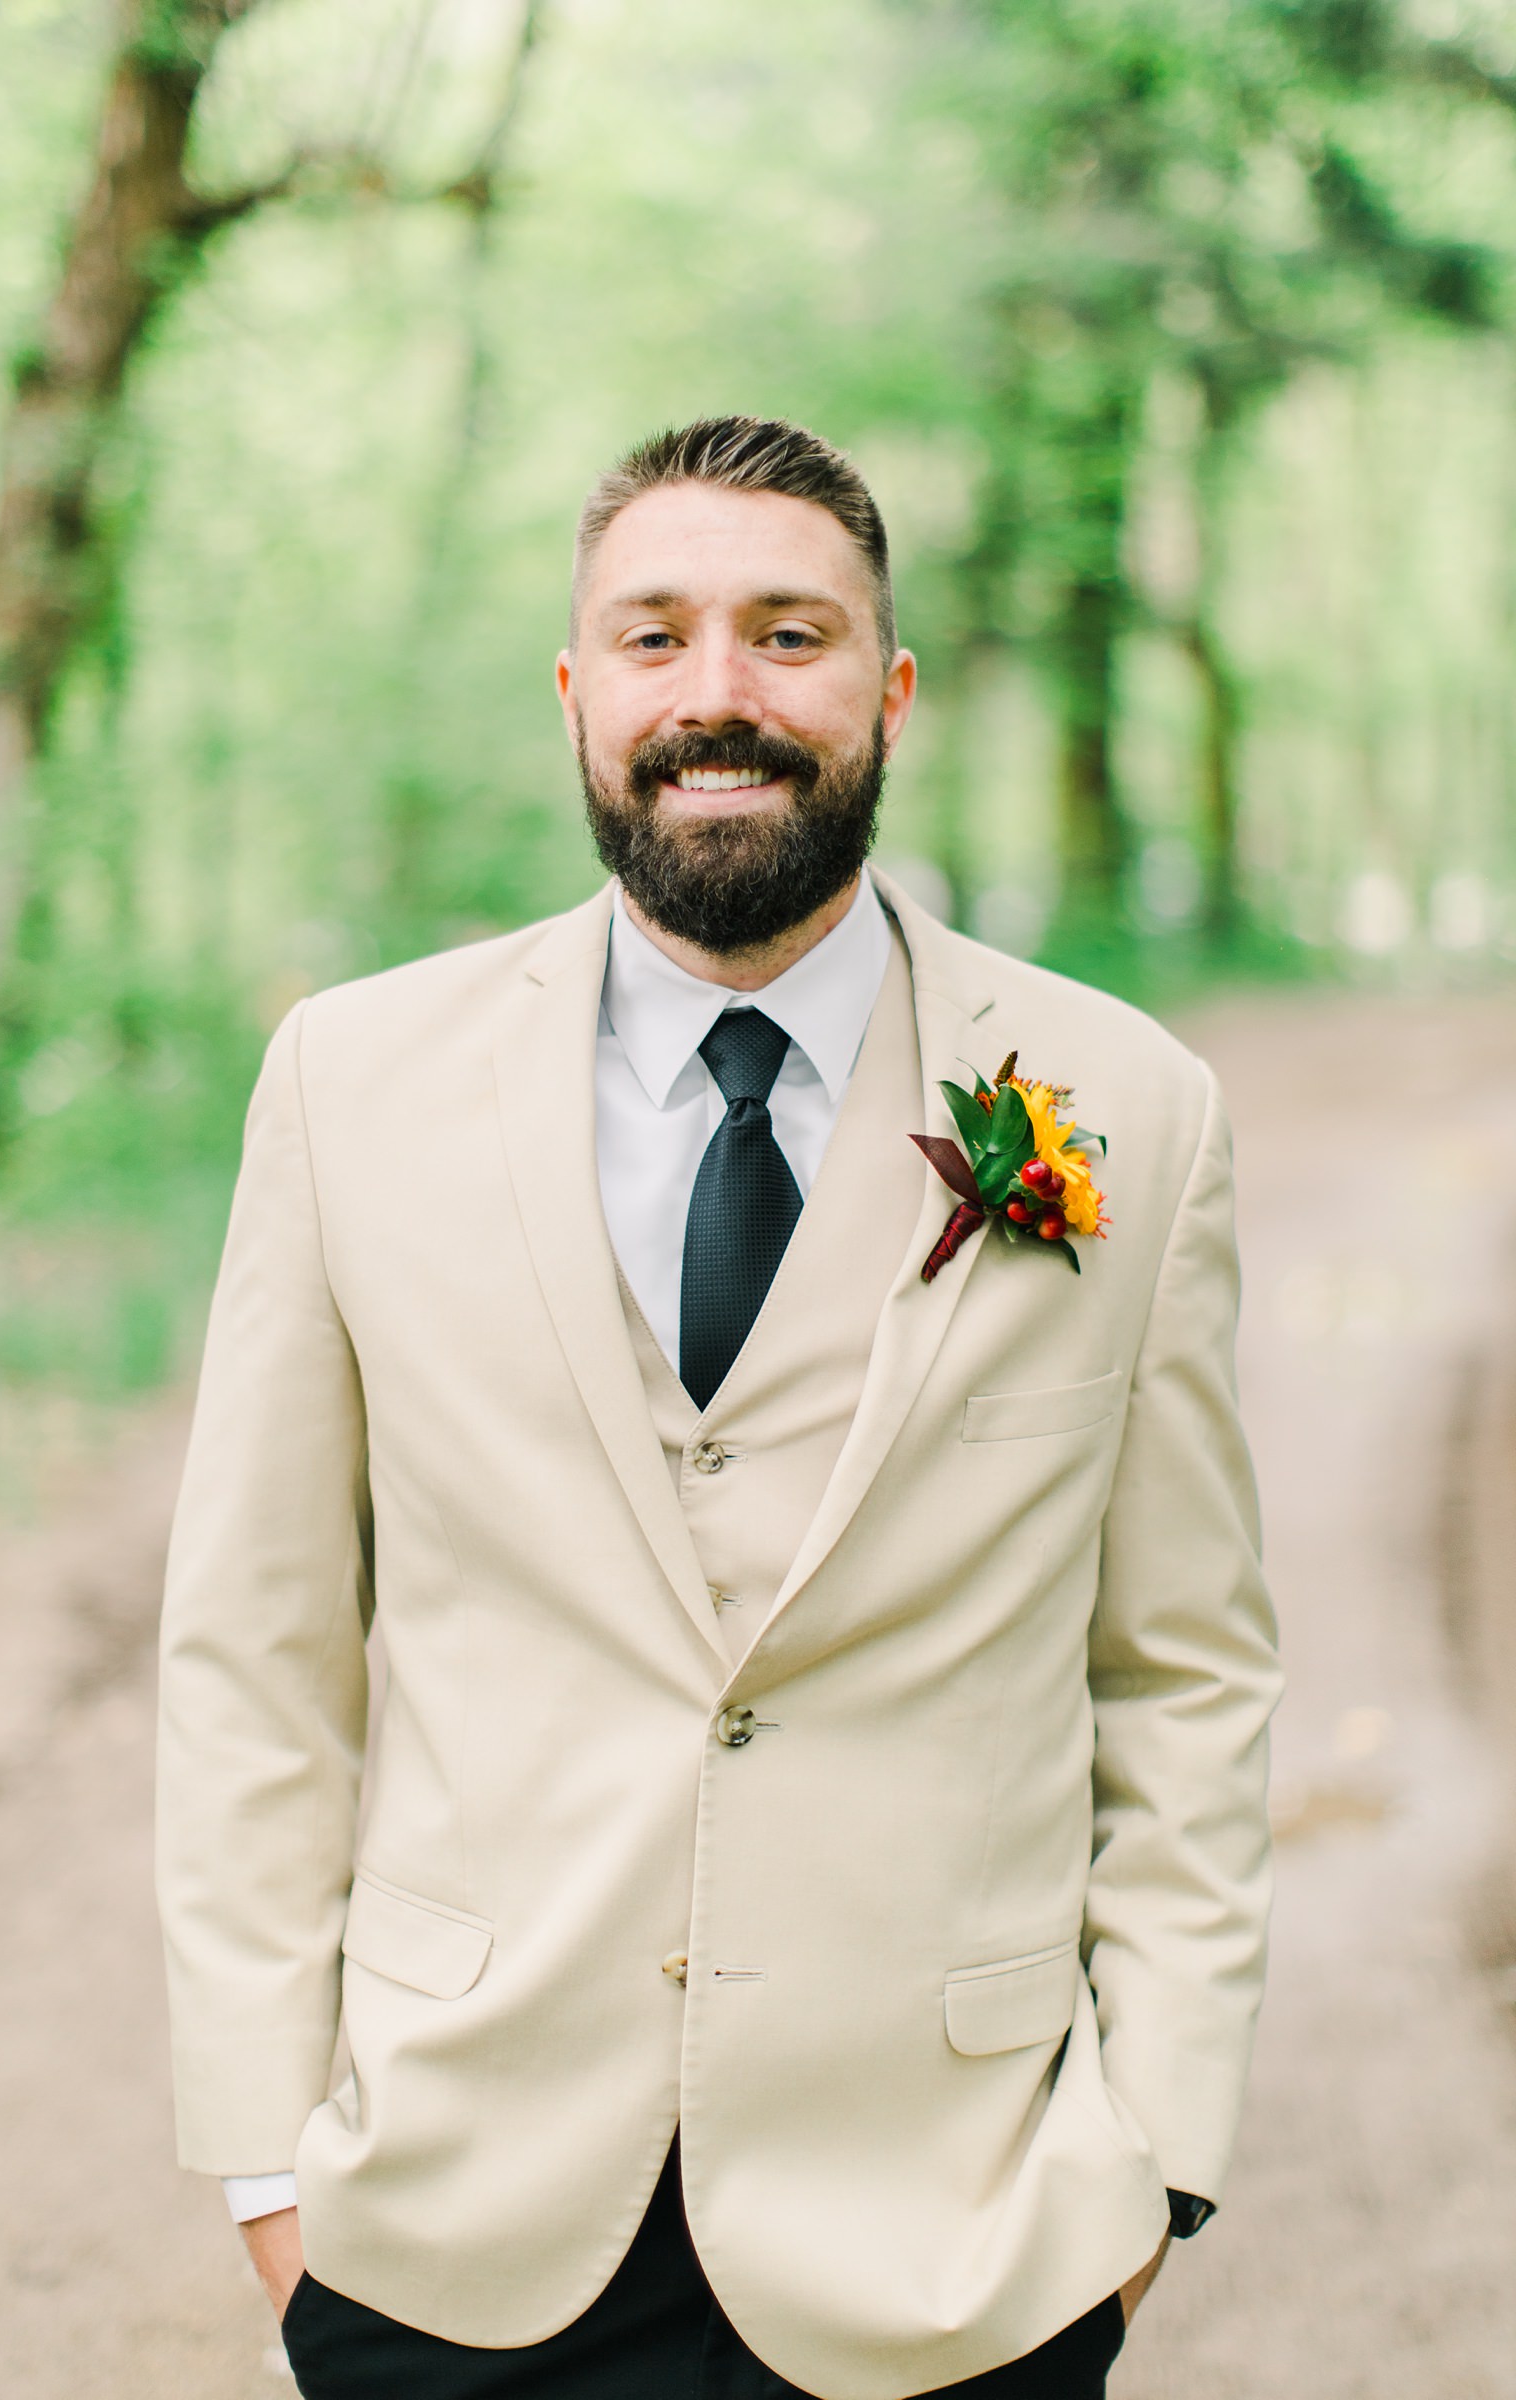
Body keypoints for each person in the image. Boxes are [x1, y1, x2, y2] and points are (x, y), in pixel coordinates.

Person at [156, 416, 1280, 2400]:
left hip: (956, 2243)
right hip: (448, 2233)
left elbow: (1181, 1670)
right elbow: (256, 1656)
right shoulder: (346, 1085)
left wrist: (1147, 2172)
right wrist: (267, 2165)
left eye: (787, 634)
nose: (720, 696)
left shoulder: (1131, 1105)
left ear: (887, 690)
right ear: (579, 692)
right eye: (655, 638)